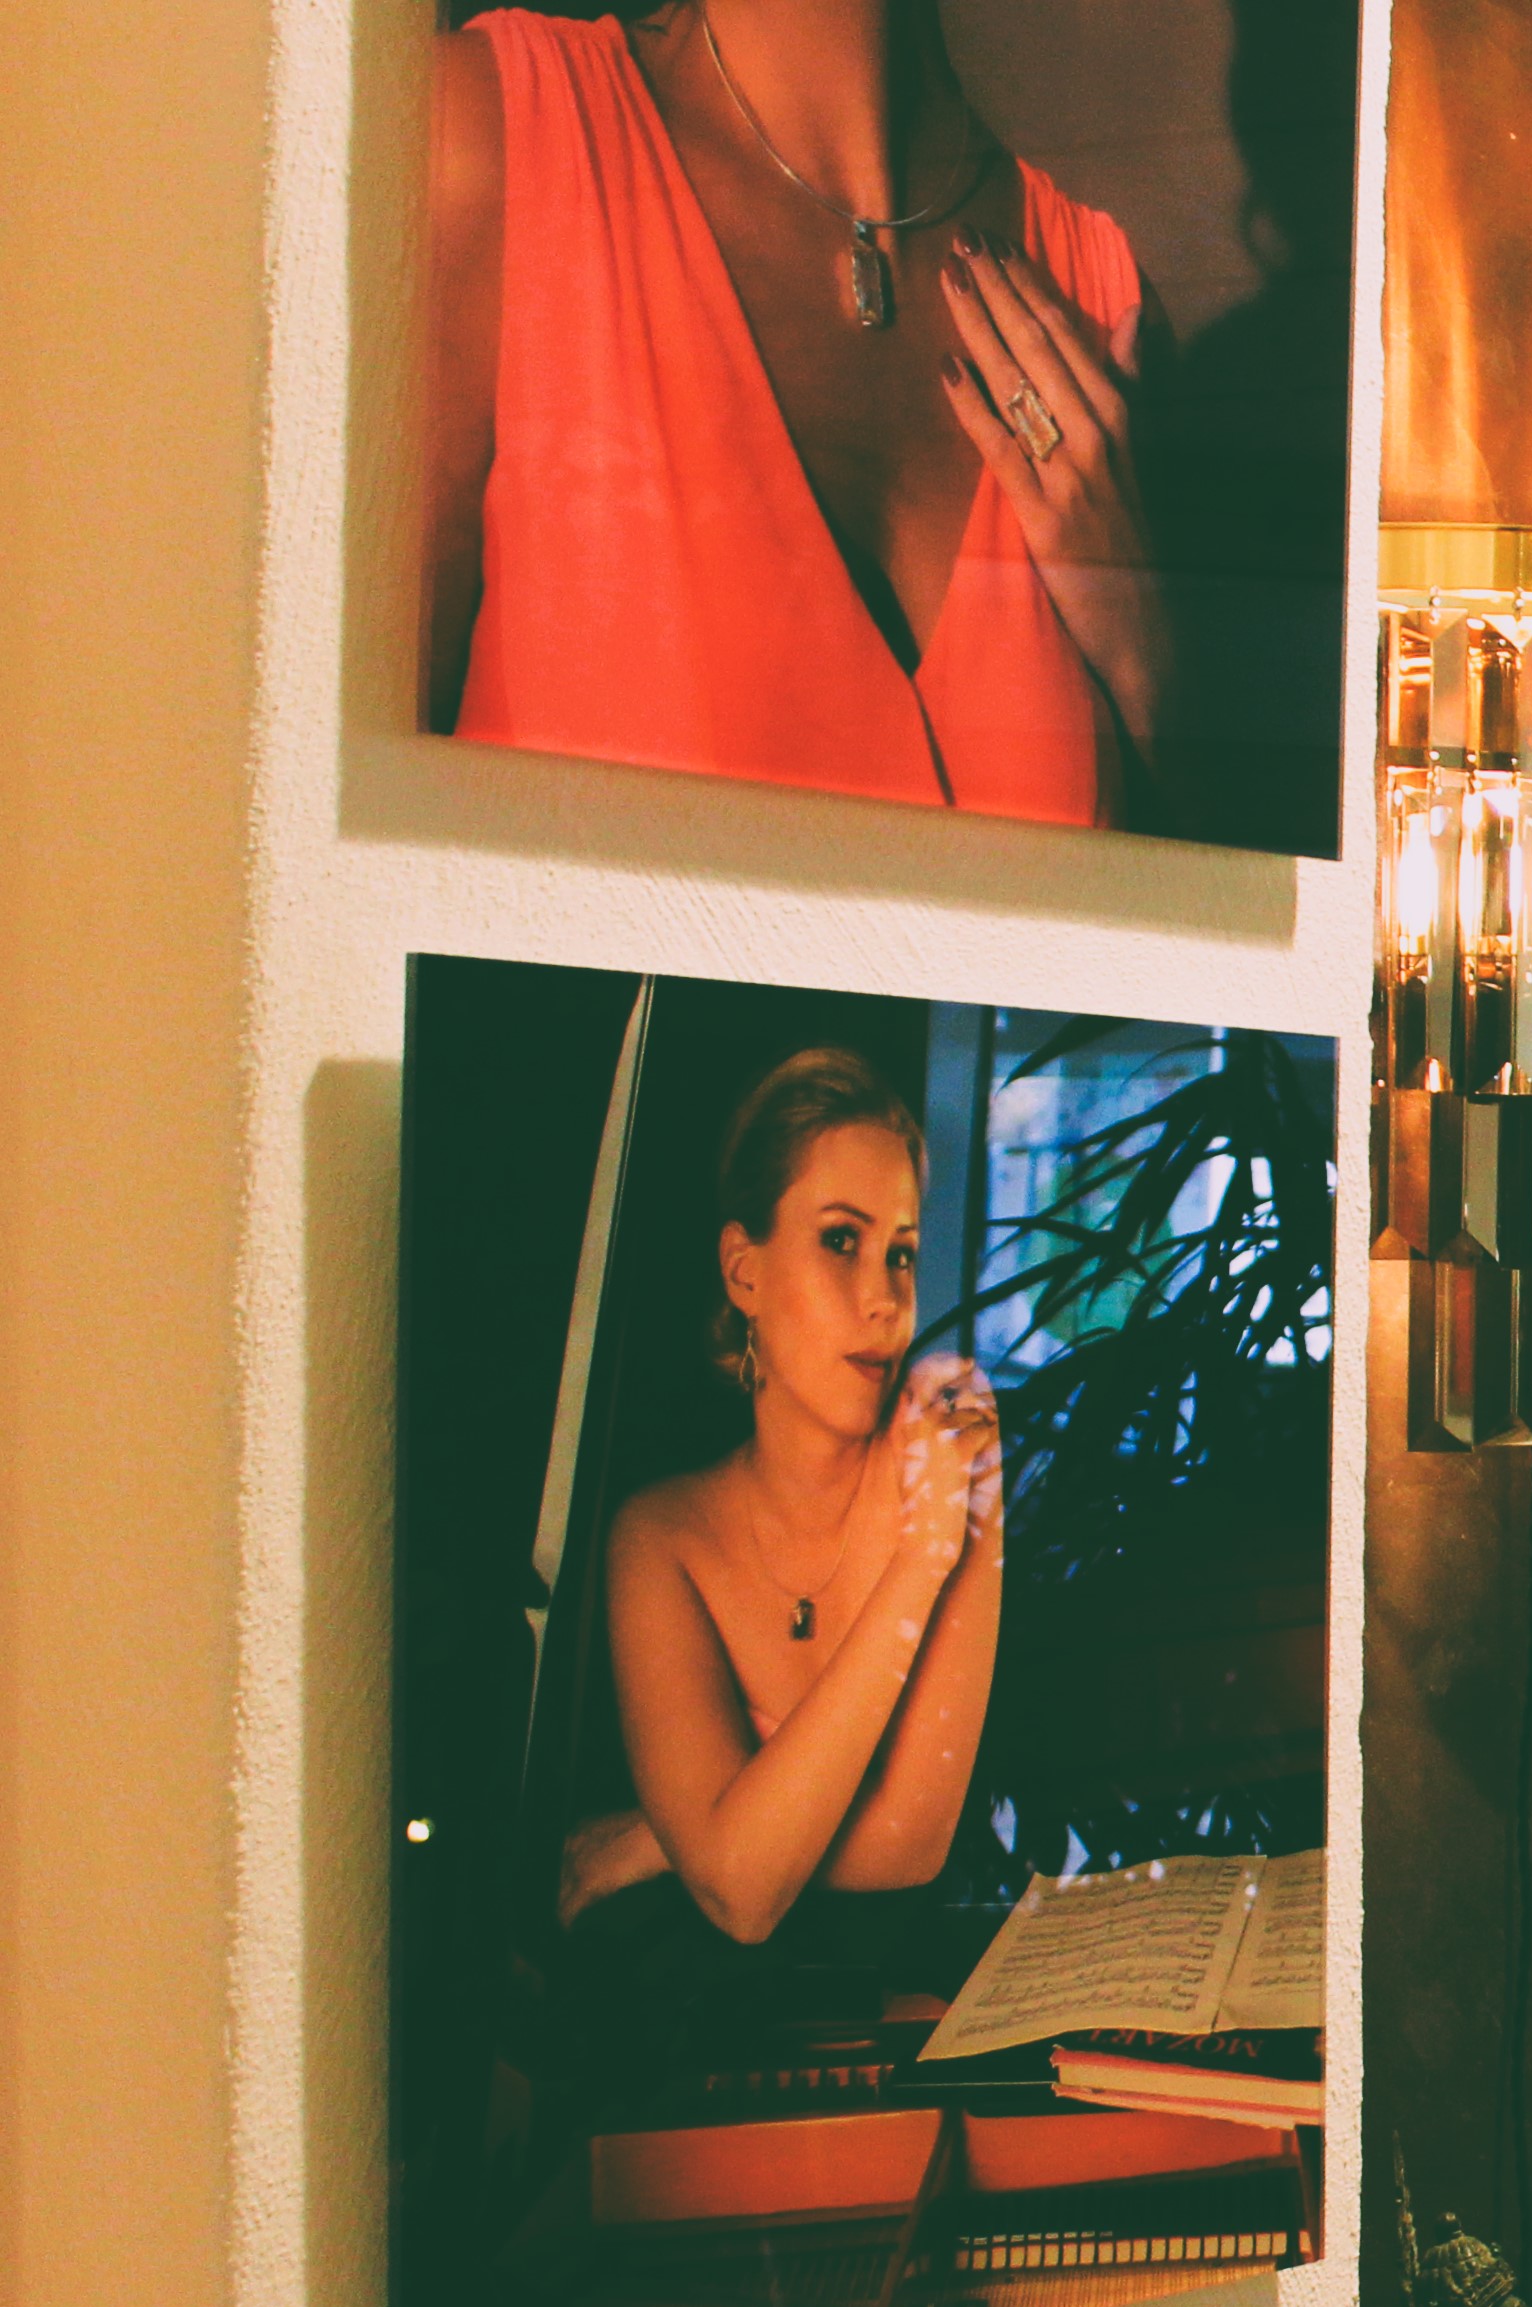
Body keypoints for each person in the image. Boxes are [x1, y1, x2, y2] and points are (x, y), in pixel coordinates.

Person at [426, 0, 1168, 826]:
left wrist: (1151, 672)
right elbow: (336, 835)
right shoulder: (495, 138)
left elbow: (1183, 877)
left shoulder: (1100, 304)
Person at [559, 1049, 1002, 1958]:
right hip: (702, 2013)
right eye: (841, 1240)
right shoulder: (660, 1535)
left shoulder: (952, 1450)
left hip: (913, 1985)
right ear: (743, 1272)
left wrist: (671, 1838)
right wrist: (716, 1852)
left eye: (902, 1254)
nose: (885, 1300)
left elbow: (910, 1849)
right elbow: (736, 1896)